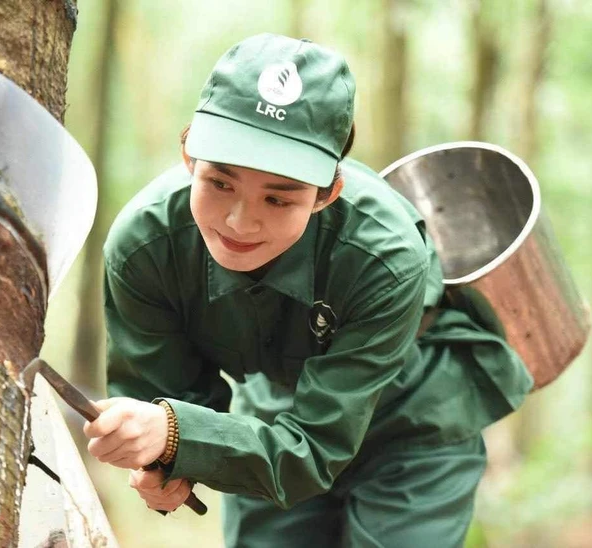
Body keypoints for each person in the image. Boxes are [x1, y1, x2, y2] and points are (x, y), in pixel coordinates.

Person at [82, 34, 533, 547]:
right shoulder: (147, 246)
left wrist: (176, 437)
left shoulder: (384, 258)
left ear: (326, 194)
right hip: (273, 415)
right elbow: (164, 398)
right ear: (189, 155)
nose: (239, 221)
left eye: (278, 200)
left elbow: (315, 448)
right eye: (220, 183)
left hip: (412, 421)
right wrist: (160, 461)